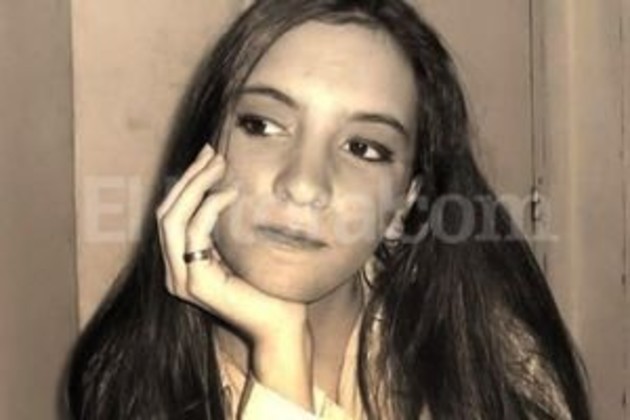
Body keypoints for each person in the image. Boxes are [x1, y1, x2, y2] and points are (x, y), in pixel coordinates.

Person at [65, 0, 591, 418]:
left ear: (403, 205)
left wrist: (278, 358)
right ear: (203, 151)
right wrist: (280, 347)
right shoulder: (126, 378)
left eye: (364, 148)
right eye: (263, 126)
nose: (304, 184)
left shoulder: (495, 369)